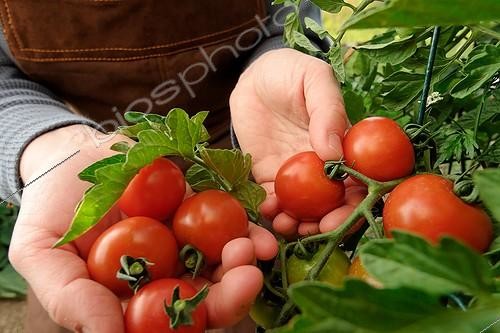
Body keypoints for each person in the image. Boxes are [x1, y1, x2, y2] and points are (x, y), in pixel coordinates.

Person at [0, 1, 364, 332]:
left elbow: (291, 12)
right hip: (89, 178)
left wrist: (279, 54)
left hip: (252, 152)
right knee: (75, 310)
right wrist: (45, 147)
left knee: (250, 297)